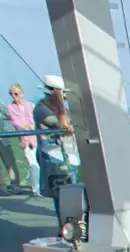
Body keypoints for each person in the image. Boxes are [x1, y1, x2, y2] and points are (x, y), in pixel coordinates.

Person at [33, 75, 77, 217]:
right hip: (53, 156)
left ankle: (72, 223)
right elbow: (63, 125)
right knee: (61, 194)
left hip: (67, 154)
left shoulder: (62, 109)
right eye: (62, 94)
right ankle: (65, 226)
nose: (64, 98)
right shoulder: (41, 109)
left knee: (72, 191)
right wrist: (60, 104)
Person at [5, 83, 40, 196]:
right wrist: (24, 126)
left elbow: (34, 119)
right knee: (33, 163)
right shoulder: (11, 107)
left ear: (22, 93)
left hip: (36, 137)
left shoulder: (30, 105)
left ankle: (40, 186)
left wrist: (30, 125)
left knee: (39, 162)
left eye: (16, 94)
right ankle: (36, 189)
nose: (14, 96)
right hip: (25, 139)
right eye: (12, 94)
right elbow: (15, 122)